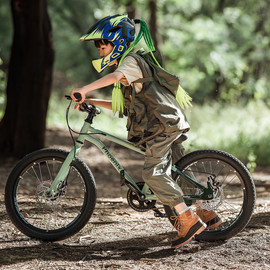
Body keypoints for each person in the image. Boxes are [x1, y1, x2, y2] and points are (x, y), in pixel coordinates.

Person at [71, 14, 220, 248]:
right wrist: (92, 100)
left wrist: (84, 88)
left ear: (118, 43)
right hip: (165, 123)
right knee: (177, 172)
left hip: (162, 125)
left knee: (154, 174)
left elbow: (114, 76)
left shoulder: (130, 63)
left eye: (103, 46)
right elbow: (124, 106)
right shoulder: (130, 70)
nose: (100, 53)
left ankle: (188, 219)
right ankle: (207, 215)